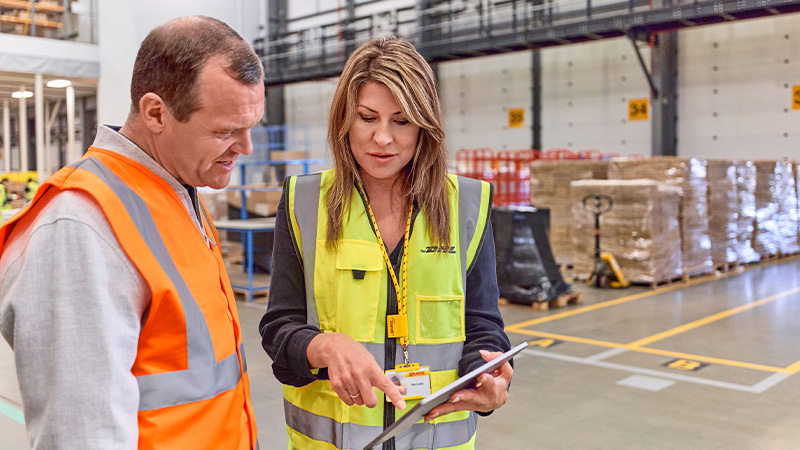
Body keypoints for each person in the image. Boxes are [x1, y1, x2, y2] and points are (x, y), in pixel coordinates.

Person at [0, 16, 263, 449]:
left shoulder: (176, 192)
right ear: (156, 112)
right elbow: (82, 435)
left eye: (250, 126)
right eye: (224, 131)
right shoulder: (82, 224)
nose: (245, 147)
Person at [260, 36, 513, 450]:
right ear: (344, 118)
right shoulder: (304, 202)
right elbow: (278, 331)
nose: (382, 138)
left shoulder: (467, 204)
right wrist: (321, 346)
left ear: (424, 125)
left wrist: (490, 372)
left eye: (401, 121)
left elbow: (482, 325)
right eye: (367, 117)